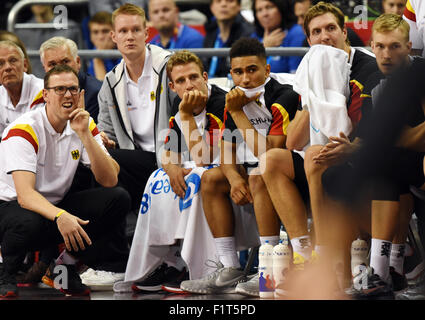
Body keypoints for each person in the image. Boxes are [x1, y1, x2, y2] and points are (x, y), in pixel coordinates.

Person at [237, 1, 378, 298]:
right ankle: (302, 254)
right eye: (316, 32)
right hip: (322, 159)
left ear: (344, 32)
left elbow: (374, 128)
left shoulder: (367, 67)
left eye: (330, 29)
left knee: (315, 155)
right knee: (271, 161)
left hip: (360, 158)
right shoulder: (312, 67)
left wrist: (351, 148)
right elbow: (292, 143)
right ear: (309, 39)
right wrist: (313, 96)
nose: (324, 37)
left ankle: (327, 256)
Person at [180, 37, 299, 294]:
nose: (245, 79)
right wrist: (234, 179)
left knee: (260, 174)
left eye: (252, 70)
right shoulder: (234, 99)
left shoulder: (283, 95)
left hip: (286, 170)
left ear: (266, 70)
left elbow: (270, 152)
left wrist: (237, 113)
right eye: (238, 72)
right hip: (254, 168)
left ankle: (269, 270)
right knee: (211, 179)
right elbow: (226, 149)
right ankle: (230, 267)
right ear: (230, 73)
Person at [0, 64, 131, 298]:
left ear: (81, 95)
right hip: (12, 207)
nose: (68, 95)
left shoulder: (83, 124)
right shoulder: (24, 129)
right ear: (46, 95)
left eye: (72, 89)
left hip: (52, 206)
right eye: (59, 89)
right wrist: (61, 216)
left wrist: (86, 136)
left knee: (117, 198)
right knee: (29, 222)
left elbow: (110, 179)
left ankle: (63, 266)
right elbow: (25, 195)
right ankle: (5, 271)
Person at [319, 13, 423, 299]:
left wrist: (390, 141)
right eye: (379, 46)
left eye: (395, 47)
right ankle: (385, 268)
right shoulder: (374, 81)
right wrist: (350, 147)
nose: (386, 54)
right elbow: (374, 136)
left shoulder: (421, 73)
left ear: (409, 45)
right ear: (371, 46)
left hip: (420, 160)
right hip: (398, 161)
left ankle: (383, 269)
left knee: (383, 164)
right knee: (333, 174)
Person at [113, 50, 228, 294]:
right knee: (159, 178)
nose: (189, 85)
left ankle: (198, 264)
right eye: (182, 81)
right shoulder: (179, 103)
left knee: (198, 177)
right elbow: (167, 152)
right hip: (204, 169)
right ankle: (171, 258)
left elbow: (205, 157)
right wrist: (171, 167)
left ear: (205, 77)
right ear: (172, 86)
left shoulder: (220, 102)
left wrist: (186, 116)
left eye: (194, 77)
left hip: (231, 171)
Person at [97, 3, 176, 212]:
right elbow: (106, 129)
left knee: (108, 162)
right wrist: (103, 138)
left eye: (135, 30)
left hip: (172, 155)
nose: (129, 36)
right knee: (96, 159)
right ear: (114, 36)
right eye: (123, 31)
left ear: (146, 33)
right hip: (135, 159)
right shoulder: (111, 81)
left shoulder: (169, 67)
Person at [16, 5, 83, 78]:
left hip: (66, 82)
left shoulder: (70, 28)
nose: (38, 2)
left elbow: (81, 61)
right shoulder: (22, 31)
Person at [0, 40, 43, 137]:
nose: (7, 67)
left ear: (25, 65)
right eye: (0, 64)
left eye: (13, 60)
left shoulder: (43, 91)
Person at [203, 0, 254, 78]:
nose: (223, 4)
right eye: (218, 1)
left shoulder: (249, 34)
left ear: (239, 6)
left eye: (230, 1)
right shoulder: (210, 32)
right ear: (211, 7)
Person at [251, 0, 305, 73]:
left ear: (281, 8)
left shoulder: (296, 33)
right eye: (259, 10)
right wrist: (263, 47)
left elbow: (295, 75)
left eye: (269, 7)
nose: (264, 14)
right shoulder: (254, 37)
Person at [87, 11, 121, 81]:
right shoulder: (91, 54)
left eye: (105, 31)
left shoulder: (127, 51)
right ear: (90, 37)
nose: (100, 37)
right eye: (95, 32)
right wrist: (97, 58)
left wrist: (97, 59)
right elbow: (100, 90)